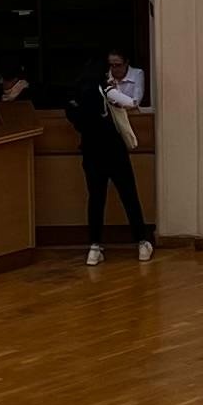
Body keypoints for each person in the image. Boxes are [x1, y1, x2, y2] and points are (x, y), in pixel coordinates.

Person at [67, 66, 153, 269]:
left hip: (90, 153)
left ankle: (94, 248)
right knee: (129, 196)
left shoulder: (75, 103)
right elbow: (130, 103)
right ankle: (142, 242)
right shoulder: (105, 92)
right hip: (115, 152)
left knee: (96, 200)